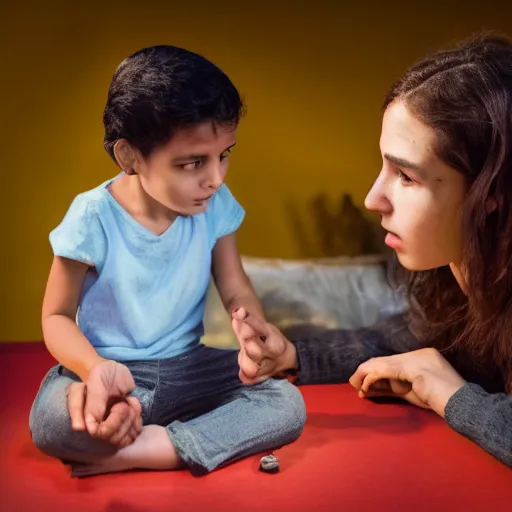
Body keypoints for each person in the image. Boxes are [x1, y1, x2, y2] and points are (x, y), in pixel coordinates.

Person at [233, 34, 512, 468]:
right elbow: (400, 338)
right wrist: (291, 355)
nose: (372, 199)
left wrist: (449, 393)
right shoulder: (454, 273)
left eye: (406, 176)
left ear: (491, 190)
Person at [29, 45, 306, 477]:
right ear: (130, 157)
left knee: (285, 403)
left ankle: (141, 448)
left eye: (224, 154)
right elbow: (56, 316)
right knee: (50, 420)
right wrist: (95, 370)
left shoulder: (215, 205)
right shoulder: (92, 217)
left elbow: (235, 287)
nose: (214, 178)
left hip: (189, 369)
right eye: (193, 162)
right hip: (111, 374)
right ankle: (143, 431)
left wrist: (253, 328)